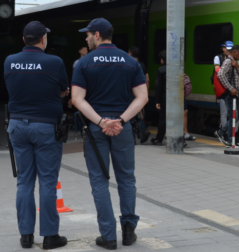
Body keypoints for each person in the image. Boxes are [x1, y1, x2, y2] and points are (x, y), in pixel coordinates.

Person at [71, 18, 148, 250]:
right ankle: (128, 230)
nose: (85, 38)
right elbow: (142, 97)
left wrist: (101, 121)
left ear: (96, 35)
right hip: (122, 129)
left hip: (97, 129)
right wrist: (121, 120)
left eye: (87, 35)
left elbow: (77, 99)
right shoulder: (130, 62)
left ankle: (108, 236)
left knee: (99, 181)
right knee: (126, 179)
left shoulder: (84, 63)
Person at [3, 21, 69, 250]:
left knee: (24, 182)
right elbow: (63, 90)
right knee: (48, 182)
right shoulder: (55, 62)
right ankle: (50, 236)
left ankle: (26, 237)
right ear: (43, 39)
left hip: (18, 126)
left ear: (24, 40)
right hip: (45, 128)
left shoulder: (10, 61)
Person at [214, 41, 239, 143]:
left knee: (237, 116)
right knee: (233, 116)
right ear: (234, 52)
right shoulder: (227, 62)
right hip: (230, 94)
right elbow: (220, 75)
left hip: (236, 94)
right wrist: (230, 88)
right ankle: (230, 140)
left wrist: (237, 67)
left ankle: (221, 132)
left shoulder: (236, 62)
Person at [128, 46, 150, 143]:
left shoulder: (128, 64)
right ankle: (143, 130)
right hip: (141, 91)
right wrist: (145, 92)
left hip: (131, 91)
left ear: (130, 54)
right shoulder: (142, 65)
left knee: (130, 112)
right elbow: (147, 79)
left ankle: (135, 135)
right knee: (138, 111)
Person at [152, 50, 166, 146]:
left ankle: (159, 139)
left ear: (162, 60)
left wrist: (157, 101)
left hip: (164, 97)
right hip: (175, 97)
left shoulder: (160, 70)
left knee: (162, 119)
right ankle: (181, 140)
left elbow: (158, 87)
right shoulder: (176, 68)